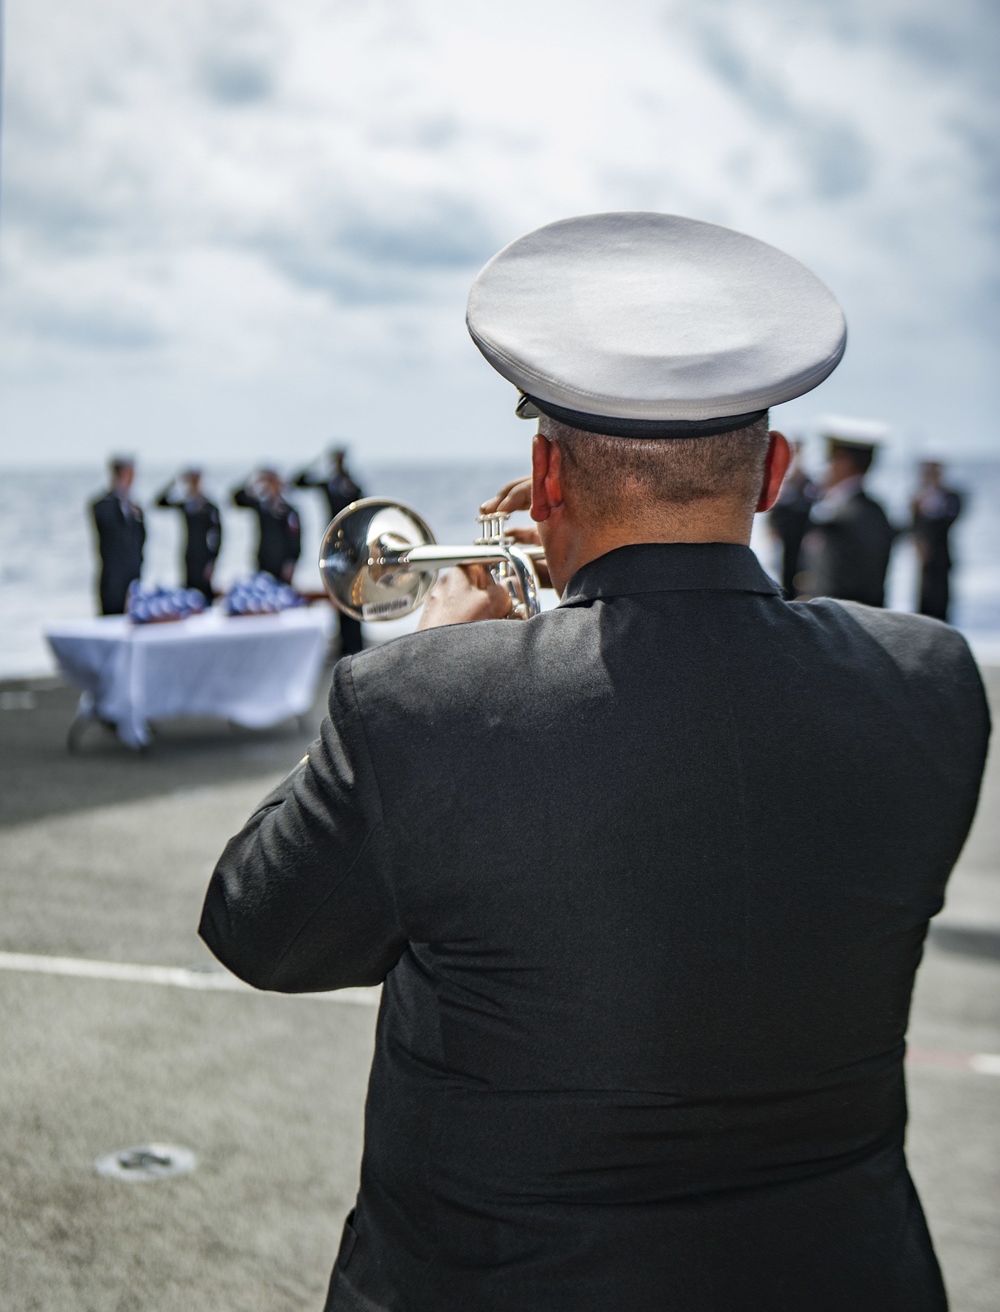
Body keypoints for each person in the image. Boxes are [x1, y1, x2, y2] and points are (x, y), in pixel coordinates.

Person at [200, 214, 990, 1312]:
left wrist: (434, 649)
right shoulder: (931, 680)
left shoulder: (420, 704)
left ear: (544, 471)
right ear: (771, 470)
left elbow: (260, 929)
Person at [799, 421, 896, 606]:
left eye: (830, 458)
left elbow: (862, 587)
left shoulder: (861, 515)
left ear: (845, 463)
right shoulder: (842, 508)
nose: (825, 467)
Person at [294, 448, 365, 653]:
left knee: (353, 593)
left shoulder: (352, 484)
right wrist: (317, 461)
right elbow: (298, 481)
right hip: (332, 544)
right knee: (337, 592)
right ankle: (343, 643)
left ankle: (356, 643)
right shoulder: (328, 483)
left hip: (352, 547)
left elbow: (363, 508)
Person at [155, 468, 222, 604]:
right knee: (188, 592)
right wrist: (175, 481)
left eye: (196, 480)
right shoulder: (186, 505)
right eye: (191, 480)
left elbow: (219, 535)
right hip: (189, 554)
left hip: (205, 556)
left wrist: (214, 560)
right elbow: (159, 502)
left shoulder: (209, 506)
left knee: (206, 593)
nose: (194, 484)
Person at [89, 457, 145, 616]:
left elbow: (141, 538)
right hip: (112, 579)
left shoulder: (135, 507)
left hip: (133, 576)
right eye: (129, 474)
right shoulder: (103, 504)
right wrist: (118, 498)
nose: (133, 479)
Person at [912, 459, 963, 622]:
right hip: (924, 559)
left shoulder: (951, 496)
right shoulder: (917, 499)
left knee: (942, 600)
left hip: (942, 556)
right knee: (923, 600)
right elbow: (913, 526)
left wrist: (931, 510)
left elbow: (951, 519)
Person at [231, 469, 301, 584]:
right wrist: (253, 481)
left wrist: (292, 561)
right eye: (268, 484)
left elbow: (295, 539)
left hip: (282, 562)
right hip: (263, 559)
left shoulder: (289, 511)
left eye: (274, 483)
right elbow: (237, 498)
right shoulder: (262, 507)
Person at [766, 438, 815, 597]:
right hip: (785, 541)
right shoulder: (784, 484)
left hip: (802, 541)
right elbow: (774, 512)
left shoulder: (808, 484)